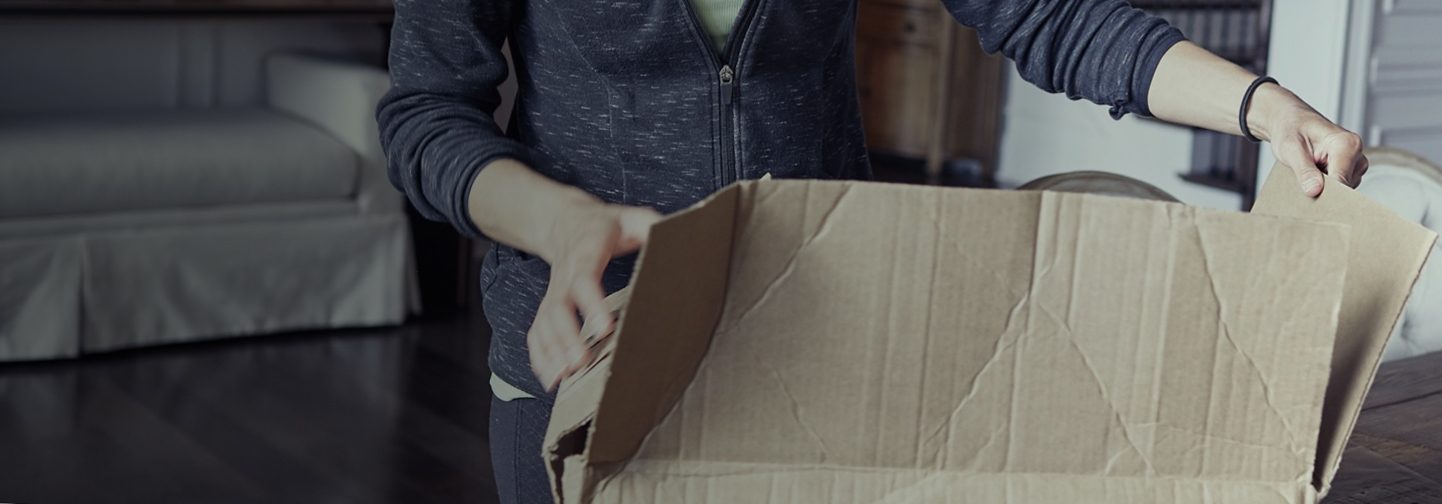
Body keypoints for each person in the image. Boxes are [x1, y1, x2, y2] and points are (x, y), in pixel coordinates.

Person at [376, 1, 1367, 502]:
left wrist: (1257, 105)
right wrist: (559, 224)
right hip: (589, 358)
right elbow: (425, 115)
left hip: (816, 343)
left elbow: (1046, 13)